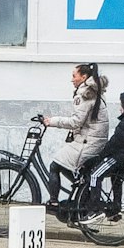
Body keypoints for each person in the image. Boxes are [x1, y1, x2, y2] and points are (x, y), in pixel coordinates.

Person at [41, 63, 110, 210]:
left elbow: (75, 122)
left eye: (74, 76)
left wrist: (51, 121)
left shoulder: (85, 94)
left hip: (88, 143)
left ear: (83, 77)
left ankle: (53, 202)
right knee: (65, 164)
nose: (72, 80)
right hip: (93, 140)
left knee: (55, 165)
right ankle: (83, 187)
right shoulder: (95, 91)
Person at [82, 90, 124, 220]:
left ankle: (94, 209)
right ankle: (115, 207)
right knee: (116, 179)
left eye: (122, 106)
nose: (120, 109)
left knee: (95, 175)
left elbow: (113, 144)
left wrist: (100, 157)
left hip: (118, 159)